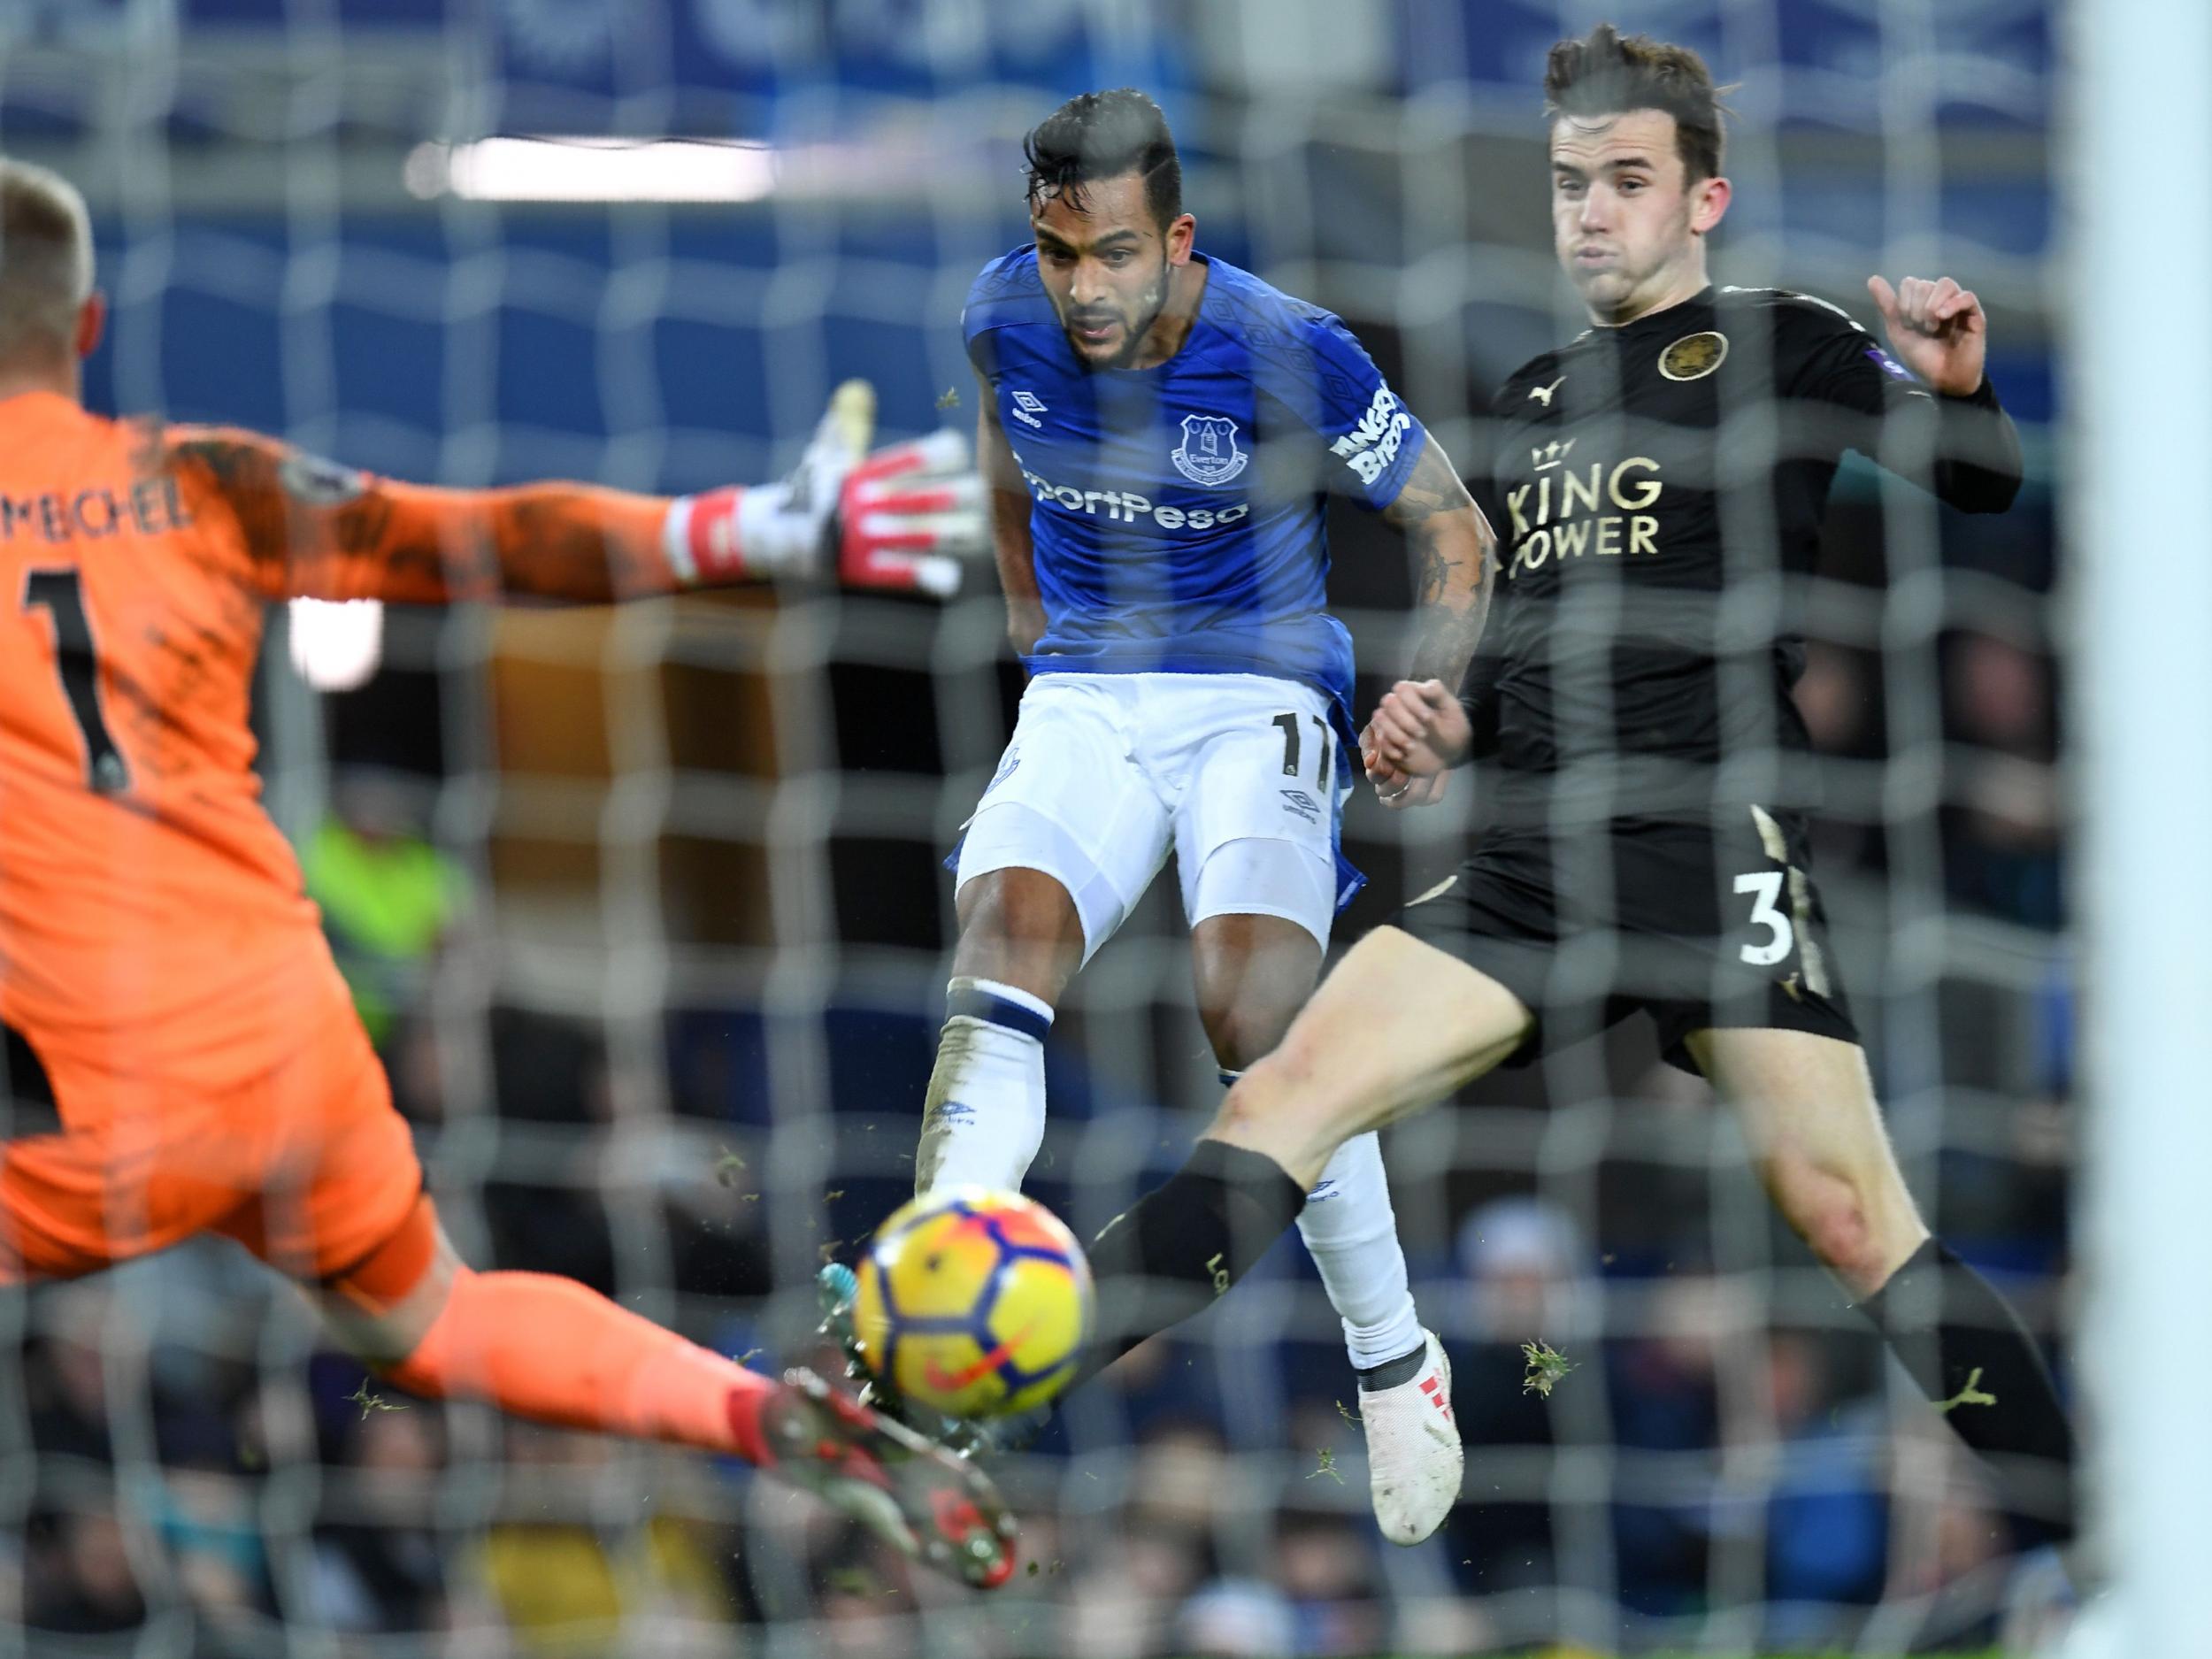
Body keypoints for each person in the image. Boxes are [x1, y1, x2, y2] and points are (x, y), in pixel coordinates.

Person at [1064, 26, 2077, 1559]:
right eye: (1567, 184)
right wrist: (1443, 722)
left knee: (1858, 1225)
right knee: (1282, 1095)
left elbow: (1981, 480)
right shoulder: (1534, 398)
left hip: (1710, 843)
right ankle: (992, 1382)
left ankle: (2100, 1546)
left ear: (1703, 202)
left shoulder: (1787, 342)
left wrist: (1963, 383)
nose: (1591, 212)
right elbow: (1526, 638)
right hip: (1539, 857)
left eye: (1624, 182)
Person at [0, 156, 1016, 1589]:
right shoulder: (201, 479)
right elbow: (476, 539)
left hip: (83, 1081)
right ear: (90, 324)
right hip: (288, 1056)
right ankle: (750, 1409)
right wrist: (743, 527)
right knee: (433, 1320)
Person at [888, 88, 1494, 1545]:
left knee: (1253, 1021)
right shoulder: (1001, 316)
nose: (1080, 288)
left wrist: (1429, 693)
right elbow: (998, 443)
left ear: (1178, 239)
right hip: (1092, 691)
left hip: (1259, 689)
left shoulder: (1287, 345)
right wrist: (1037, 631)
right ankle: (931, 1321)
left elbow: (1454, 524)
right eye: (1055, 253)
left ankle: (1396, 1363)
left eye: (1108, 255)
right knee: (997, 960)